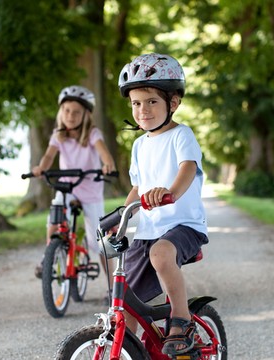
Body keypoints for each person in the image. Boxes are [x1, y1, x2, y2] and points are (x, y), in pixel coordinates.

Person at [117, 53, 209, 356]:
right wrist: (119, 218)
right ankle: (126, 348)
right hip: (148, 229)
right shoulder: (139, 144)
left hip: (183, 226)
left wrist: (169, 192)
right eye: (136, 103)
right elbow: (138, 187)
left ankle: (181, 319)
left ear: (173, 103)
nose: (142, 110)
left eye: (151, 102)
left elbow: (188, 169)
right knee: (127, 297)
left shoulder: (181, 135)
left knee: (161, 253)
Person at [31, 85, 116, 282]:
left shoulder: (93, 134)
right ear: (61, 112)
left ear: (86, 115)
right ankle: (48, 258)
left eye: (76, 112)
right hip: (67, 186)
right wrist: (41, 168)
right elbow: (48, 156)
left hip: (90, 188)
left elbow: (105, 154)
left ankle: (112, 288)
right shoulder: (58, 135)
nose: (71, 115)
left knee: (99, 241)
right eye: (67, 111)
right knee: (55, 215)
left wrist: (108, 164)